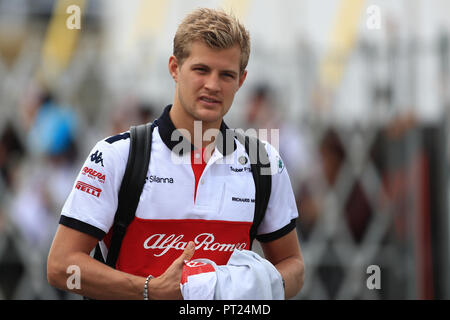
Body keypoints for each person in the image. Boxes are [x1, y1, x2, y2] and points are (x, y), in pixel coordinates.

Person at [47, 8, 304, 300]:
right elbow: (60, 266)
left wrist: (255, 290)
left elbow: (293, 265)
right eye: (201, 69)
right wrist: (149, 290)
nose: (213, 85)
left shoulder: (263, 160)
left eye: (226, 75)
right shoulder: (118, 155)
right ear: (174, 68)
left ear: (241, 80)